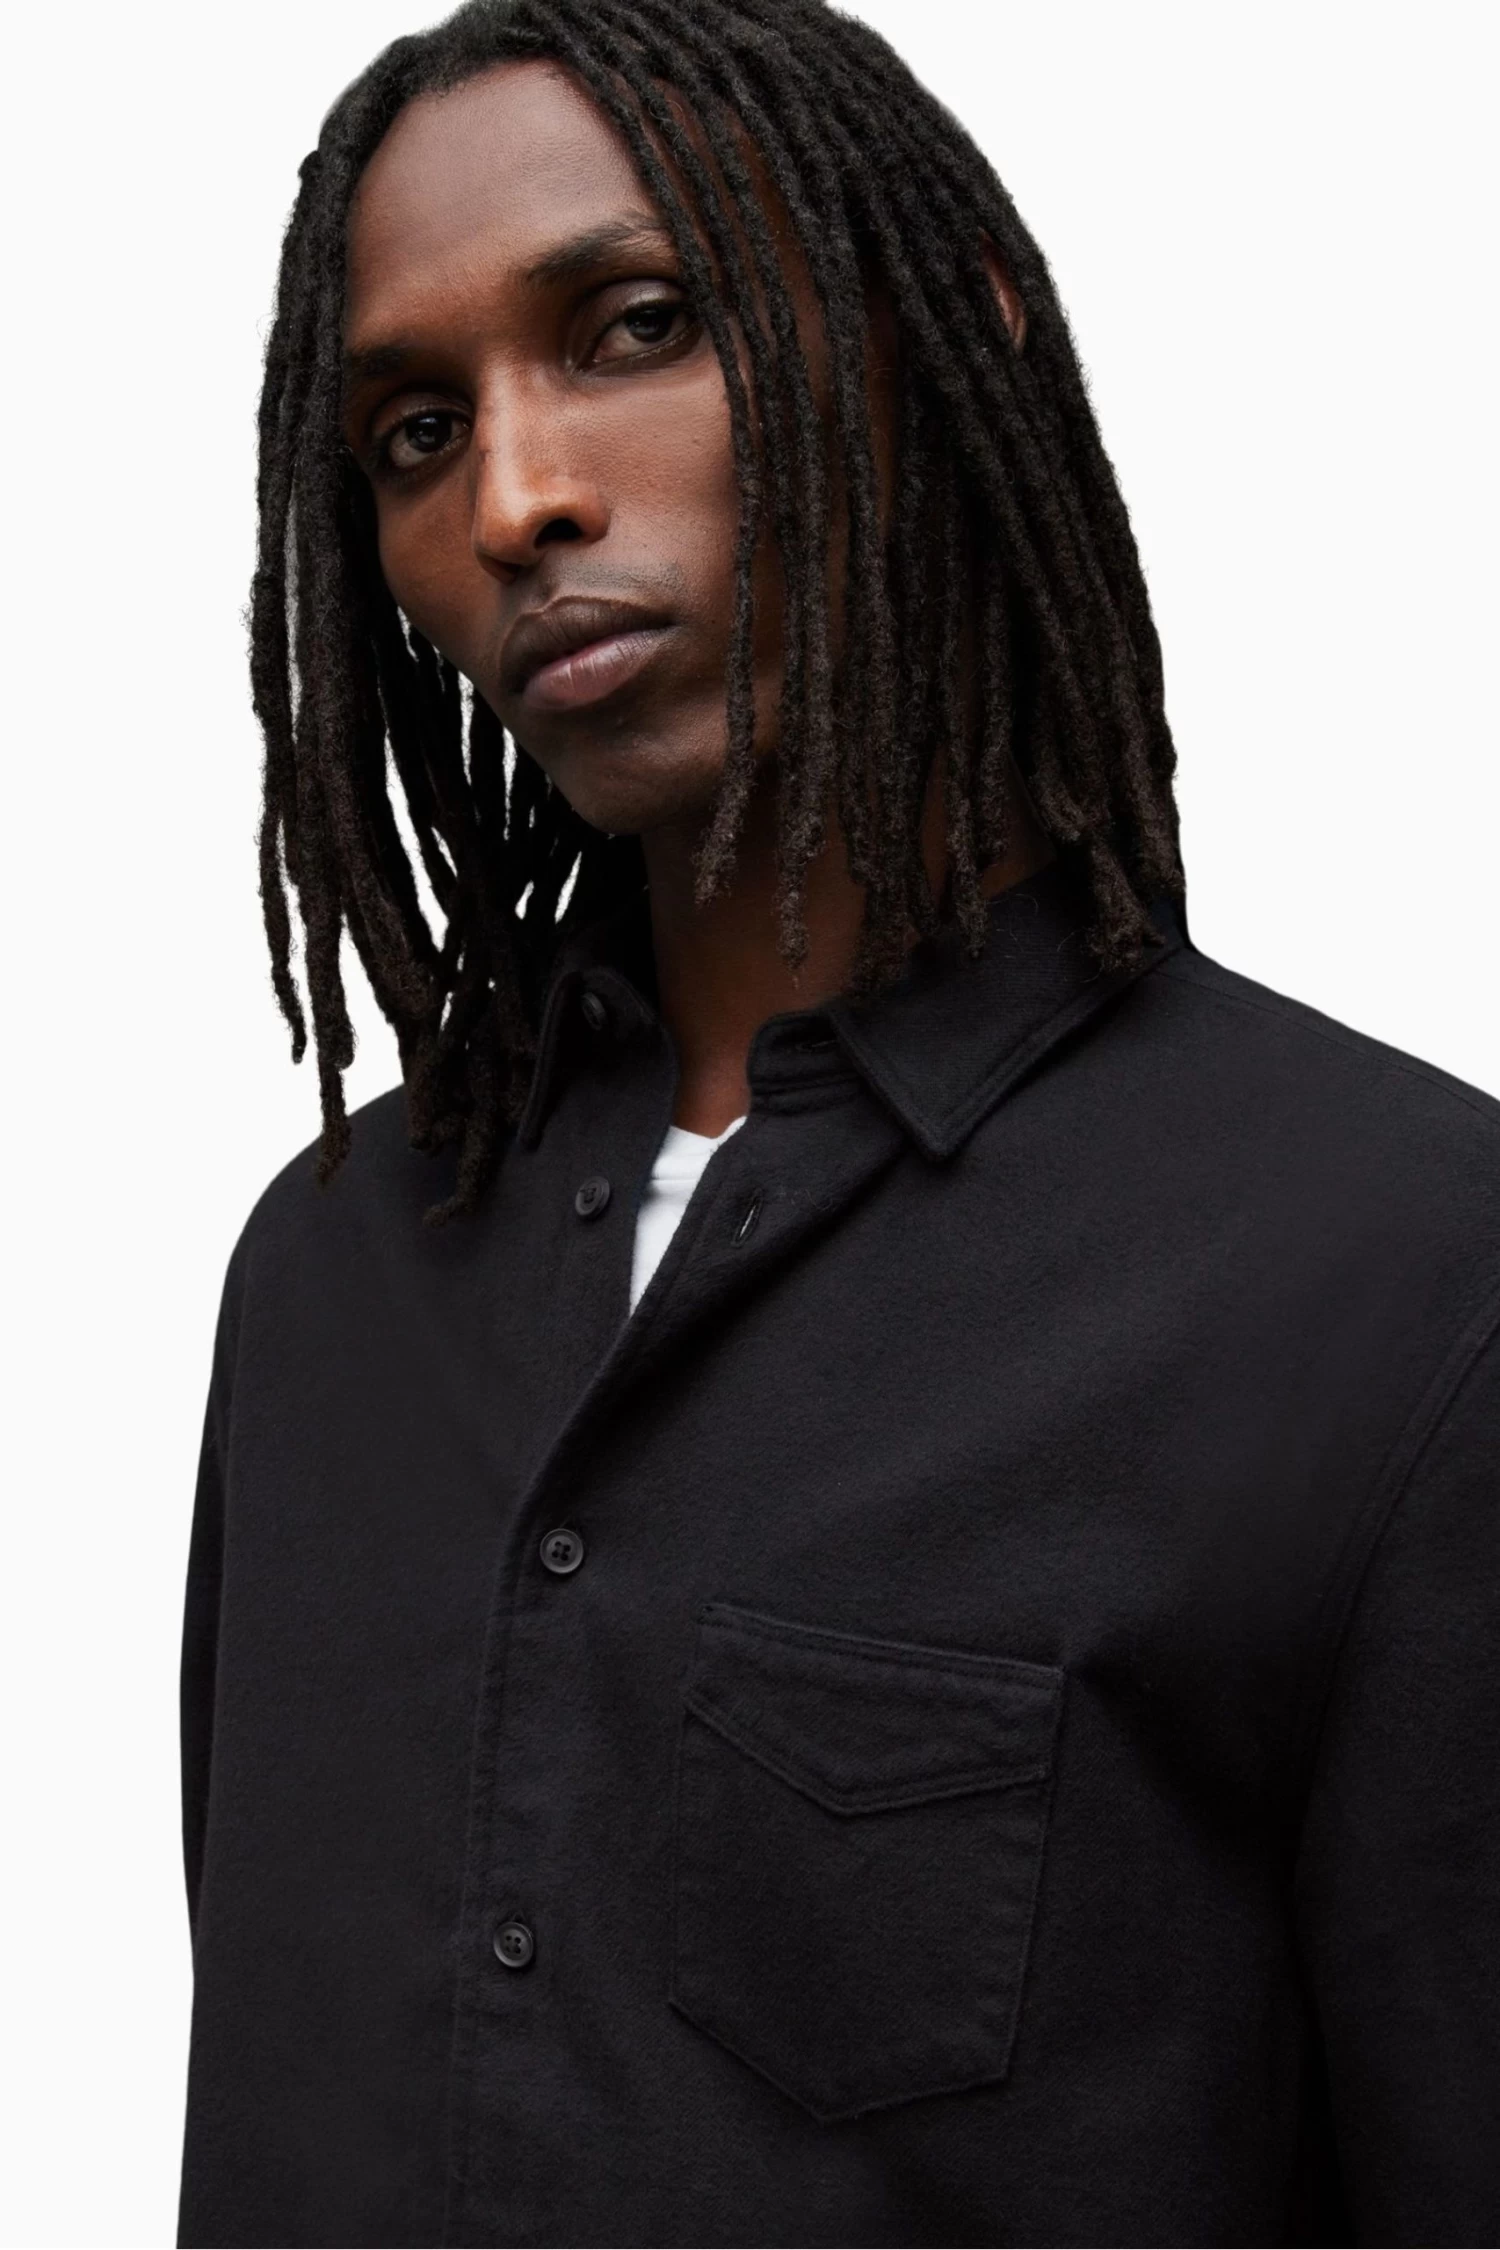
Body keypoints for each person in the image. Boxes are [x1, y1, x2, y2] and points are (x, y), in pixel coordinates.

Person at [175, 2, 1500, 2243]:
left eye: (636, 326)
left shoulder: (1406, 1288)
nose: (514, 499)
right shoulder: (327, 1278)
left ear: (938, 329)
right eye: (413, 431)